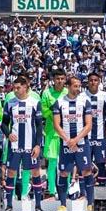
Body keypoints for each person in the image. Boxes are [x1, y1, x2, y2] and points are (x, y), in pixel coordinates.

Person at [1, 76, 46, 211]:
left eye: (18, 87)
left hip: (30, 145)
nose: (15, 90)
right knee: (11, 173)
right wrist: (8, 134)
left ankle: (38, 205)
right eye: (14, 88)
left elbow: (39, 126)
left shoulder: (34, 102)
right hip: (14, 146)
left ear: (26, 86)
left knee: (35, 172)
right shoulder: (9, 103)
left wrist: (38, 145)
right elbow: (4, 123)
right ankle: (9, 205)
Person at [52, 76, 95, 211]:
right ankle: (63, 205)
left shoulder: (85, 102)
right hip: (66, 143)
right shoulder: (59, 102)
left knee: (87, 171)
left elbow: (89, 125)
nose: (78, 89)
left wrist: (75, 140)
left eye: (79, 86)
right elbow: (56, 125)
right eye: (75, 86)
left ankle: (90, 203)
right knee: (64, 173)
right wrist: (68, 140)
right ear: (68, 87)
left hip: (81, 142)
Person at [39, 68, 67, 196]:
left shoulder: (68, 92)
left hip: (67, 133)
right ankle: (51, 190)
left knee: (67, 163)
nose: (60, 81)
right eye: (57, 79)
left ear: (65, 80)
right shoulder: (46, 94)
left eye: (62, 79)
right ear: (53, 80)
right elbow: (43, 113)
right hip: (51, 132)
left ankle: (66, 191)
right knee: (52, 162)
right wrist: (54, 109)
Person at [84, 72, 106, 189]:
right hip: (85, 136)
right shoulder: (82, 96)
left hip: (101, 136)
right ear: (88, 82)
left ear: (99, 81)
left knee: (101, 163)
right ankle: (86, 189)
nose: (93, 82)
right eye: (91, 80)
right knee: (85, 164)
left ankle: (102, 189)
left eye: (95, 80)